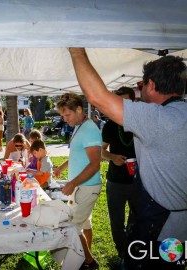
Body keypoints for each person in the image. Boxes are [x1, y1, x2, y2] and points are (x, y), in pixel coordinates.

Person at [68, 48, 187, 269]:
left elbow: (97, 97)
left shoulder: (157, 118)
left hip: (157, 228)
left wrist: (76, 50)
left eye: (141, 86)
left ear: (151, 85)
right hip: (180, 228)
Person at [54, 93, 102, 270]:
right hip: (81, 187)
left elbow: (95, 164)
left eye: (67, 115)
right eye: (63, 116)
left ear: (79, 110)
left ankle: (88, 261)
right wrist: (62, 167)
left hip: (86, 187)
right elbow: (77, 154)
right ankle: (84, 258)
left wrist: (73, 183)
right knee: (83, 224)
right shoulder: (79, 125)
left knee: (72, 228)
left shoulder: (89, 129)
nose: (65, 119)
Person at [101, 87, 137, 258]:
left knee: (137, 220)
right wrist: (113, 157)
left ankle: (134, 250)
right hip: (116, 181)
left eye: (125, 101)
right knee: (117, 221)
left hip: (140, 181)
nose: (122, 105)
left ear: (133, 101)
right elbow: (101, 151)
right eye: (118, 101)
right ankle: (123, 253)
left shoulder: (140, 122)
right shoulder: (109, 125)